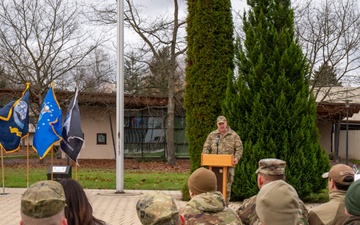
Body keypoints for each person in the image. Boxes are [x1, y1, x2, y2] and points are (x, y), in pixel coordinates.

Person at [237, 158, 309, 225]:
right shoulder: (298, 204)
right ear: (284, 179)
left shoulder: (250, 203)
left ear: (260, 180)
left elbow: (236, 220)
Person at [202, 115, 243, 204]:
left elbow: (239, 148)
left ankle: (225, 205)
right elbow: (206, 146)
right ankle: (214, 204)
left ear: (226, 123)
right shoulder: (212, 135)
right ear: (217, 124)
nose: (221, 125)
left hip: (228, 165)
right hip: (214, 166)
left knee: (227, 187)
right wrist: (206, 156)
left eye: (223, 123)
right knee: (214, 185)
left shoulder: (233, 135)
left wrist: (236, 158)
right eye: (219, 124)